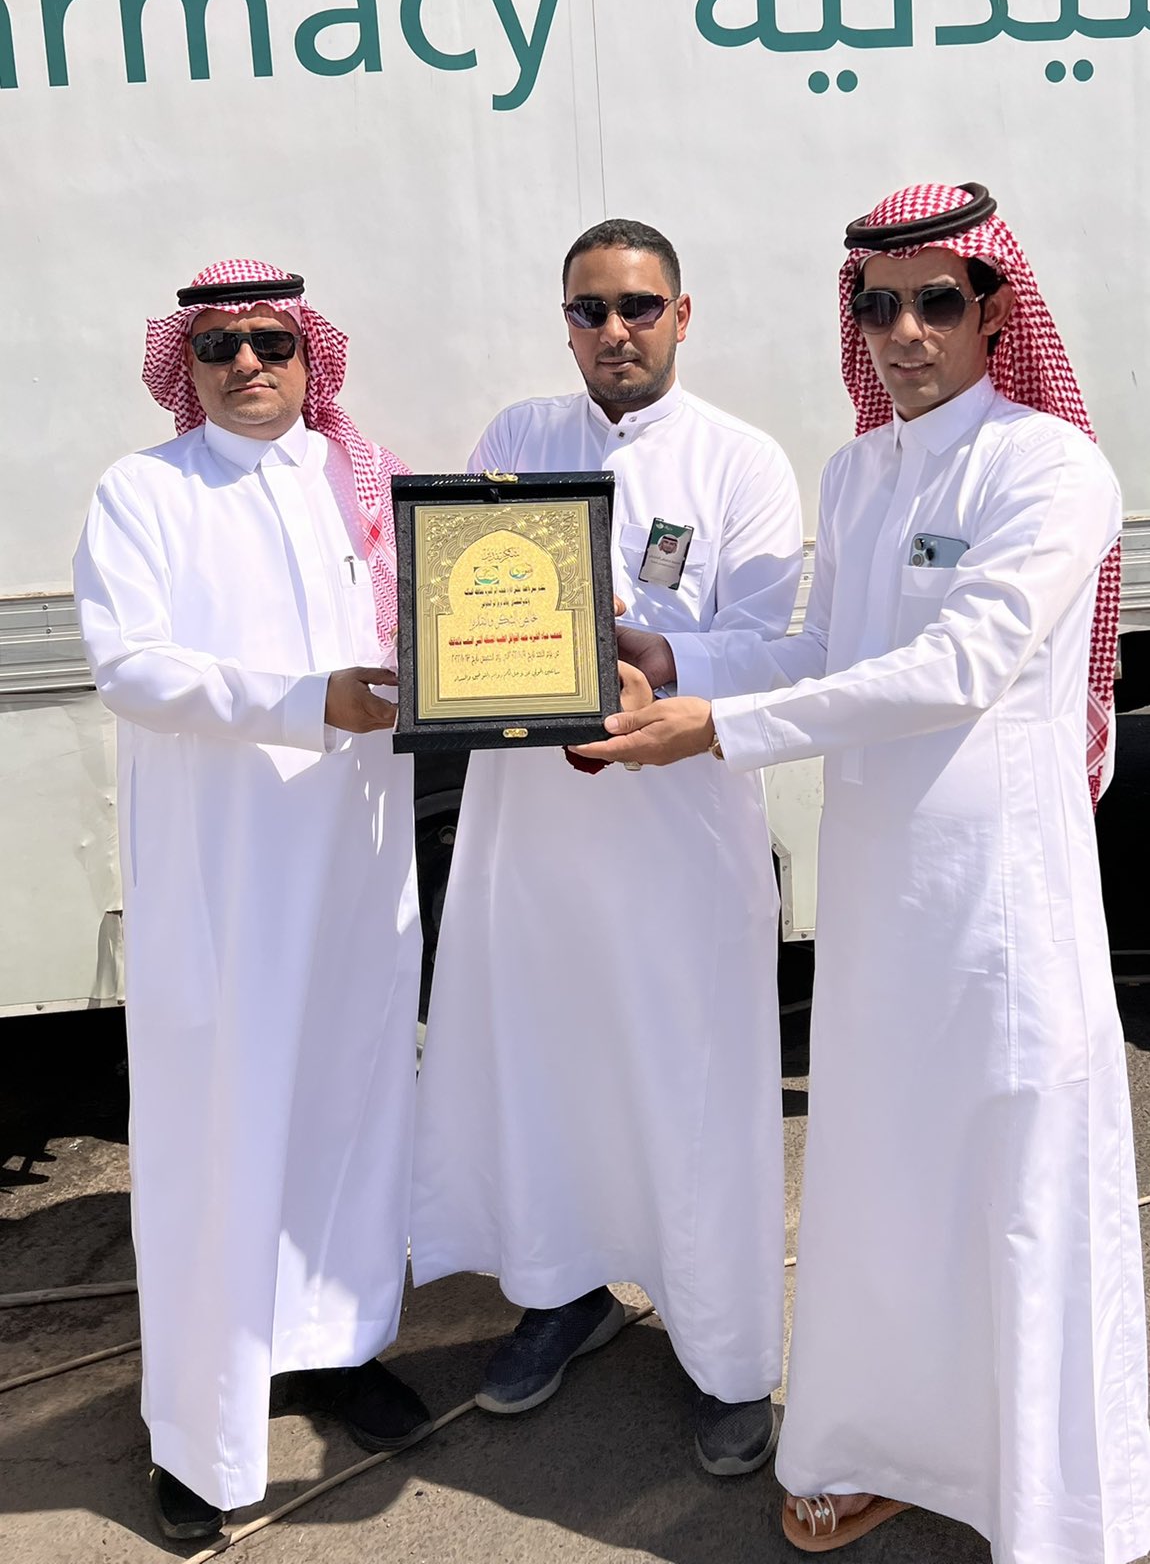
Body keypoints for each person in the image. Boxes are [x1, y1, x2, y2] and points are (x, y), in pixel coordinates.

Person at [577, 183, 1150, 1561]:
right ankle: (885, 1449)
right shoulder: (856, 473)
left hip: (1000, 908)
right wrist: (677, 660)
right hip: (879, 898)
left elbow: (960, 666)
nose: (903, 330)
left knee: (1006, 1194)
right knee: (879, 1180)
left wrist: (718, 730)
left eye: (934, 300)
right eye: (875, 303)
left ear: (993, 310)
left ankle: (1045, 1503)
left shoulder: (1049, 467)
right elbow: (823, 651)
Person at [410, 219, 804, 1475]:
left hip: (677, 829)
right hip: (532, 835)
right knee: (549, 1067)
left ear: (682, 314)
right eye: (590, 309)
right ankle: (562, 1290)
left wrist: (659, 655)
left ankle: (724, 1353)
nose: (614, 331)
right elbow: (461, 603)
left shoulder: (740, 459)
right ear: (566, 321)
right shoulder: (517, 439)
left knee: (694, 1088)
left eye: (637, 306)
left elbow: (776, 645)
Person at [73, 261, 428, 1542]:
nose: (246, 364)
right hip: (223, 877)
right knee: (214, 1132)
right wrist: (296, 700)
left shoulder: (360, 481)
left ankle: (335, 1345)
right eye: (218, 344)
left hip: (355, 862)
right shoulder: (146, 490)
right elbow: (130, 665)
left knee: (350, 1098)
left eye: (271, 341)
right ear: (187, 361)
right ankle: (197, 1429)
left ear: (307, 351)